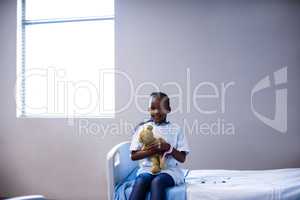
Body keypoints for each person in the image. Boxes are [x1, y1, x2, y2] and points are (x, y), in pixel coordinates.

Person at [129, 92, 190, 200]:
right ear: (148, 109)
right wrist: (151, 151)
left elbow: (182, 158)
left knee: (157, 182)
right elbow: (133, 156)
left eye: (161, 108)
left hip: (169, 171)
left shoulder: (176, 129)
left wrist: (168, 148)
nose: (156, 112)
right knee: (140, 182)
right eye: (153, 108)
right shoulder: (143, 128)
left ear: (168, 109)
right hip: (147, 170)